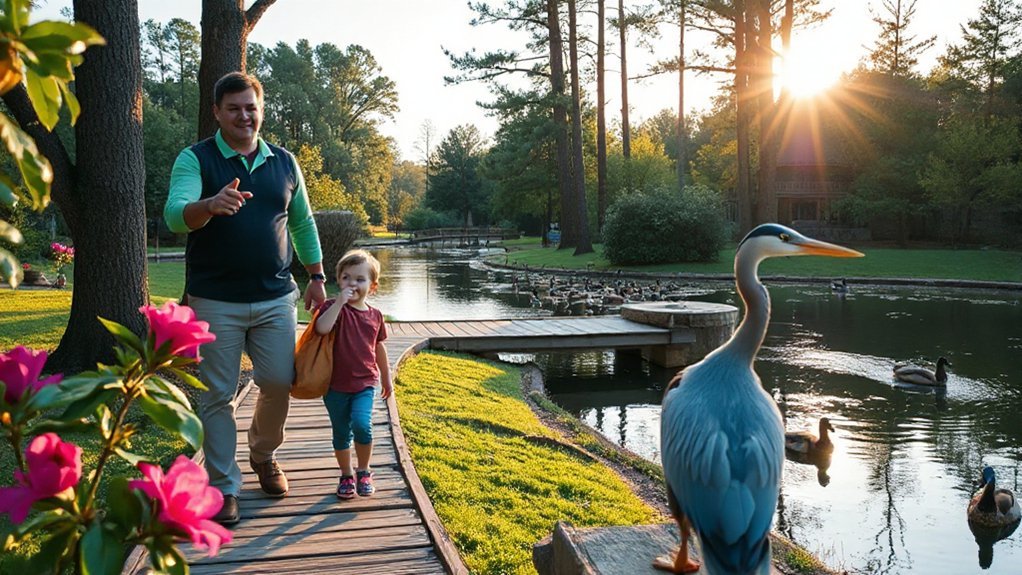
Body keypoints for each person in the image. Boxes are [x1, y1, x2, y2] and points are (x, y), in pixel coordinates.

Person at [163, 72, 327, 526]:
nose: (243, 116)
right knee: (218, 394)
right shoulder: (195, 159)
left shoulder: (285, 162)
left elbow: (303, 223)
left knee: (277, 381)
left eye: (250, 107)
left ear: (261, 109)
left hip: (276, 296)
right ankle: (223, 486)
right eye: (233, 108)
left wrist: (317, 276)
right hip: (215, 300)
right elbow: (175, 216)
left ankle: (263, 454)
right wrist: (208, 205)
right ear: (217, 112)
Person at [313, 249, 393, 499]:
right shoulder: (333, 308)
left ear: (373, 286)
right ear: (339, 280)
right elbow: (321, 328)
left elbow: (378, 347)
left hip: (365, 383)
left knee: (362, 425)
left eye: (360, 279)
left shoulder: (375, 315)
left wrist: (387, 377)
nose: (352, 284)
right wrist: (338, 303)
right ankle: (346, 474)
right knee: (340, 432)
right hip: (334, 385)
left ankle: (364, 470)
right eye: (346, 278)